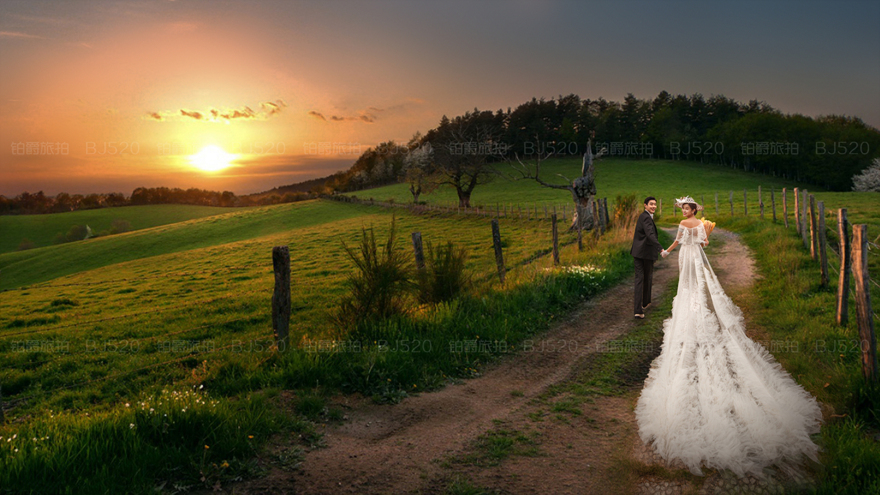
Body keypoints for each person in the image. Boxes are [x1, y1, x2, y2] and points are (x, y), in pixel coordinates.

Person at [634, 196, 823, 479]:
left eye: (687, 208)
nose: (684, 212)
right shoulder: (698, 224)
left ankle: (695, 316)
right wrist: (700, 237)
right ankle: (700, 312)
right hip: (696, 258)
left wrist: (667, 252)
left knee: (689, 289)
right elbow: (705, 244)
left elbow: (678, 242)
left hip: (687, 259)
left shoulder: (685, 223)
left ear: (693, 209)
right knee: (698, 287)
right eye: (683, 208)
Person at [630, 196, 663, 319]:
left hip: (638, 252)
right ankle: (639, 309)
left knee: (642, 278)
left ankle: (644, 304)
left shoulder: (643, 216)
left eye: (655, 204)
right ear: (645, 205)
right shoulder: (646, 218)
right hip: (645, 253)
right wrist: (660, 248)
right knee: (644, 278)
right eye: (651, 204)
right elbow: (650, 234)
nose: (653, 206)